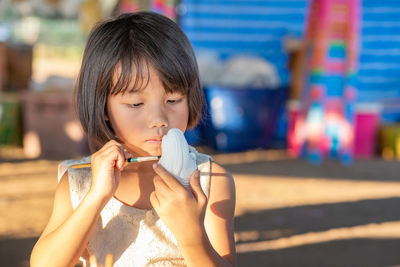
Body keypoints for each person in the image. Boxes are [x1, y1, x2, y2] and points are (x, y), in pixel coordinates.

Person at [30, 11, 236, 267]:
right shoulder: (79, 182)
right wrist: (96, 198)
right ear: (103, 108)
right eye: (136, 103)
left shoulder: (208, 181)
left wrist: (191, 235)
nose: (159, 119)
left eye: (173, 100)